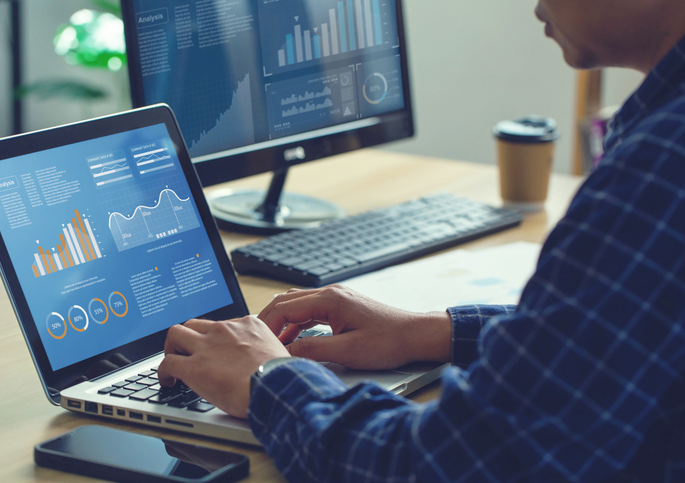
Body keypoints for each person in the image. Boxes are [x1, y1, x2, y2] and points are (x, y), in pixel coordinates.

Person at [159, 0, 685, 480]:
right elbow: (609, 337)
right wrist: (431, 332)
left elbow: (447, 466)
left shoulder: (659, 170)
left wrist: (270, 379)